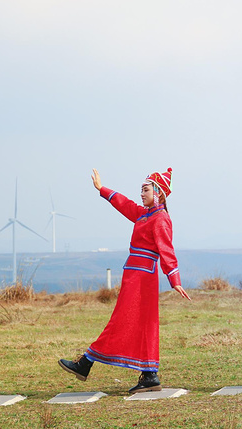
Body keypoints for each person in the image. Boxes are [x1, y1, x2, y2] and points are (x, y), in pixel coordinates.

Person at [59, 168, 191, 393]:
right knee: (142, 323)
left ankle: (86, 363)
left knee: (123, 320)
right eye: (141, 189)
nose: (141, 193)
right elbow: (124, 203)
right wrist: (102, 189)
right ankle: (149, 374)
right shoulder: (144, 214)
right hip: (134, 275)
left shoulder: (160, 218)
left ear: (158, 193)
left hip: (142, 278)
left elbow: (166, 249)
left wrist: (174, 278)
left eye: (146, 189)